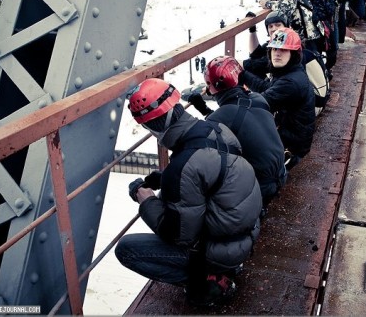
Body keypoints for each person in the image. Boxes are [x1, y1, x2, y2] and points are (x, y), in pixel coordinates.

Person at [115, 78, 262, 307]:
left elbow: (179, 236)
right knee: (173, 200)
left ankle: (208, 279)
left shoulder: (182, 168)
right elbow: (212, 175)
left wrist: (146, 201)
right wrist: (165, 179)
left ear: (151, 127)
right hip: (246, 233)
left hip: (222, 252)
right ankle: (223, 267)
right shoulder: (217, 129)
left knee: (126, 250)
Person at [187, 56, 287, 212]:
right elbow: (235, 119)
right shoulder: (258, 99)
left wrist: (203, 109)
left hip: (261, 187)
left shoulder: (219, 118)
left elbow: (223, 123)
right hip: (281, 172)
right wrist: (207, 111)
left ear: (211, 87)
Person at [239, 28, 316, 169]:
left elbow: (257, 103)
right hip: (291, 137)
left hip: (292, 148)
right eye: (274, 49)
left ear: (293, 54)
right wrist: (243, 75)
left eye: (284, 50)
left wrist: (226, 93)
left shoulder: (291, 82)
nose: (277, 54)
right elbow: (267, 88)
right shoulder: (290, 72)